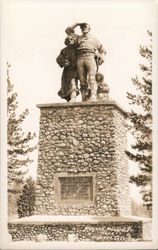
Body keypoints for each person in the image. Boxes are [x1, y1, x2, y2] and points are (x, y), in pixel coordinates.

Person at [65, 23, 106, 101]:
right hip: (80, 57)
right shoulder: (78, 38)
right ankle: (84, 97)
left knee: (91, 77)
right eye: (82, 27)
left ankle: (93, 95)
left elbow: (102, 49)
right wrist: (77, 23)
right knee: (82, 80)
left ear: (89, 28)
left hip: (90, 57)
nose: (83, 28)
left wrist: (102, 56)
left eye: (85, 26)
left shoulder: (94, 39)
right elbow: (68, 30)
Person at [56, 34, 79, 102]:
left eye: (71, 39)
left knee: (73, 81)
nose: (70, 41)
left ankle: (73, 96)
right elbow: (59, 58)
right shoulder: (64, 50)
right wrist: (64, 62)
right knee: (65, 84)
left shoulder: (77, 50)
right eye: (68, 40)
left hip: (75, 69)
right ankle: (68, 98)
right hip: (67, 70)